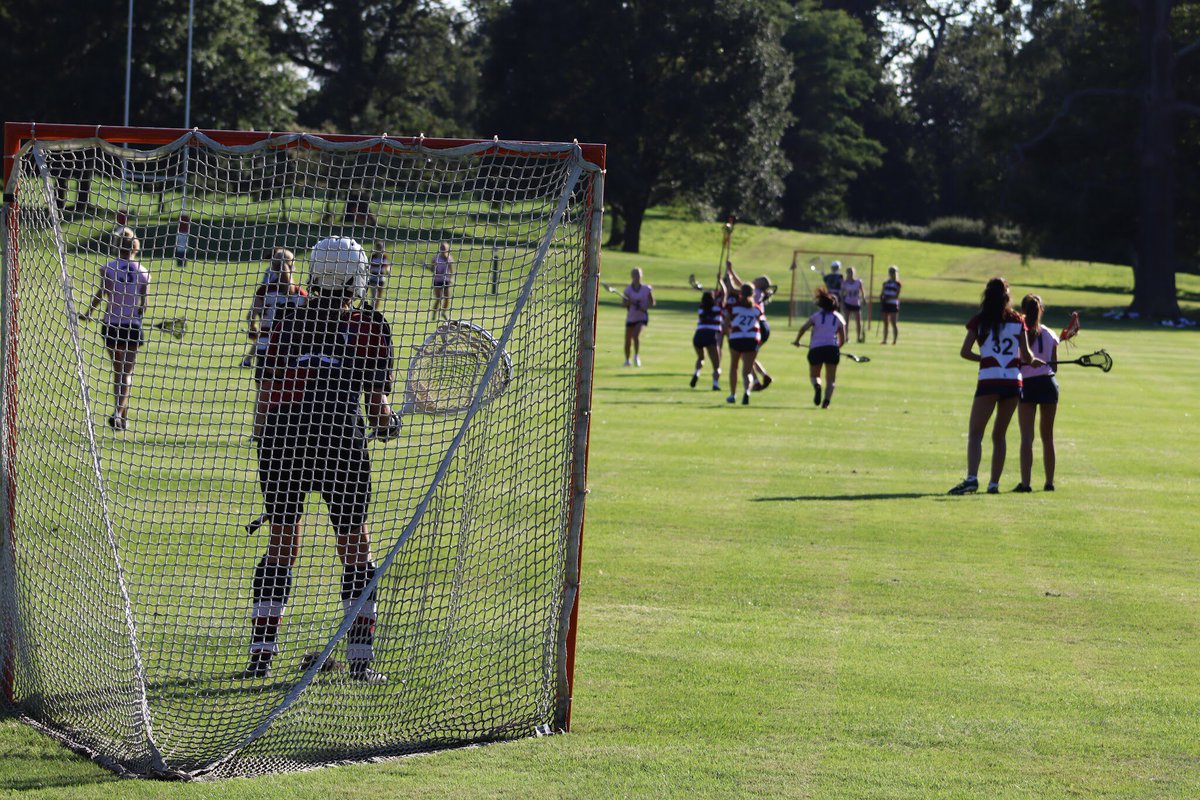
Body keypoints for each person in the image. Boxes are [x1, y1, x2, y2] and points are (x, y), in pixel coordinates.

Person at [243, 236, 398, 683]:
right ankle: (360, 660)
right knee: (355, 549)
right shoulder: (371, 324)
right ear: (356, 277)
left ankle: (261, 655)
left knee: (282, 546)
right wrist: (388, 425)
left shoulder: (288, 315)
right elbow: (379, 411)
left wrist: (264, 444)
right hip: (341, 443)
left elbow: (267, 390)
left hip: (282, 441)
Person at [948, 277, 1042, 495]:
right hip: (1012, 381)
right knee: (999, 435)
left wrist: (984, 359)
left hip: (989, 379)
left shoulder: (980, 320)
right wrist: (1033, 360)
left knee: (975, 433)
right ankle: (994, 484)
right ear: (1007, 297)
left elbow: (965, 351)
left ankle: (972, 479)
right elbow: (1027, 356)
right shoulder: (1018, 320)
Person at [77, 226, 150, 431]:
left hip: (111, 325)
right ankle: (119, 414)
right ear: (135, 248)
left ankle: (121, 419)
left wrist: (88, 313)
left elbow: (103, 294)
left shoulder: (108, 268)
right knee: (127, 373)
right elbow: (143, 306)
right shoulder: (143, 273)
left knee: (118, 372)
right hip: (132, 327)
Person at [244, 248, 308, 440]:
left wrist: (254, 331)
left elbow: (251, 316)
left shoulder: (265, 290)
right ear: (293, 266)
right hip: (293, 351)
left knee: (264, 393)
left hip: (266, 348)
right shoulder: (301, 294)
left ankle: (258, 434)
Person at [1015, 294, 1060, 492]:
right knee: (1047, 436)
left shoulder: (1018, 332)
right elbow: (1054, 367)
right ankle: (1049, 483)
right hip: (1048, 384)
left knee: (1027, 437)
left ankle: (1026, 484)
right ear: (1041, 310)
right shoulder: (1050, 334)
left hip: (1027, 385)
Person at [792, 286, 847, 408]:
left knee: (814, 376)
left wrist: (797, 341)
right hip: (832, 349)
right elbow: (843, 338)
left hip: (816, 348)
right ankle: (826, 403)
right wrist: (837, 348)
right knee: (831, 380)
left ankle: (817, 386)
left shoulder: (816, 316)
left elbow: (803, 328)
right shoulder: (839, 318)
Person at [722, 261, 774, 390]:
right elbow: (742, 286)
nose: (755, 279)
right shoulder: (755, 291)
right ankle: (761, 376)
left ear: (761, 284)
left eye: (758, 279)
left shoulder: (755, 291)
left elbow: (736, 289)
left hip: (757, 325)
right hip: (761, 325)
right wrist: (731, 271)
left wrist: (727, 280)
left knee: (744, 354)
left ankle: (756, 380)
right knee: (748, 354)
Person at [725, 283, 763, 405]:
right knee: (747, 371)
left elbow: (726, 324)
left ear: (740, 293)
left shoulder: (733, 307)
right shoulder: (757, 308)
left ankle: (733, 394)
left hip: (736, 338)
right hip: (752, 339)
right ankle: (747, 391)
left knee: (734, 367)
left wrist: (728, 334)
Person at [691, 290, 723, 390]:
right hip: (711, 335)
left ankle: (697, 372)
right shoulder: (718, 308)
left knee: (701, 358)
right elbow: (724, 295)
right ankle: (715, 384)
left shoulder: (701, 308)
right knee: (716, 365)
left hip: (698, 335)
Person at [623, 267, 655, 366]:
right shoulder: (628, 290)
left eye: (638, 275)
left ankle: (636, 356)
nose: (636, 277)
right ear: (632, 276)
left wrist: (645, 307)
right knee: (628, 340)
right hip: (631, 317)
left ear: (641, 276)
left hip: (642, 317)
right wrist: (627, 302)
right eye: (635, 275)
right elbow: (624, 304)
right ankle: (627, 360)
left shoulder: (646, 289)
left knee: (635, 335)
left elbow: (652, 303)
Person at [427, 241, 455, 320]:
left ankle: (444, 312)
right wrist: (434, 270)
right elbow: (432, 268)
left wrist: (451, 278)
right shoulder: (436, 258)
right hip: (437, 280)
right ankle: (434, 313)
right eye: (442, 248)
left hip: (446, 280)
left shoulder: (449, 258)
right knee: (438, 298)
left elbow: (451, 270)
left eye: (444, 248)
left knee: (447, 298)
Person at [840, 265, 866, 344]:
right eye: (848, 272)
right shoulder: (844, 283)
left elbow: (862, 291)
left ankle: (859, 337)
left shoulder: (858, 282)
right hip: (847, 303)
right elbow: (842, 293)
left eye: (851, 272)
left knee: (858, 321)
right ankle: (846, 337)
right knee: (846, 321)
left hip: (856, 303)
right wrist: (842, 303)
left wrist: (863, 299)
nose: (850, 273)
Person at [880, 265, 901, 344]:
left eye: (893, 272)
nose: (892, 273)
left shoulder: (897, 284)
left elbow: (896, 295)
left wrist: (888, 297)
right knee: (885, 323)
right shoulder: (885, 283)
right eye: (891, 272)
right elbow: (882, 293)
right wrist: (882, 298)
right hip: (885, 304)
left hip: (893, 304)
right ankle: (885, 339)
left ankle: (894, 340)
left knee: (893, 322)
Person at [367, 240, 392, 309]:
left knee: (378, 297)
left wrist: (388, 271)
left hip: (381, 278)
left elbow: (386, 266)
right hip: (373, 277)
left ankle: (375, 310)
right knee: (374, 295)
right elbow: (368, 266)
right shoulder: (373, 257)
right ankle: (372, 309)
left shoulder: (384, 257)